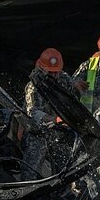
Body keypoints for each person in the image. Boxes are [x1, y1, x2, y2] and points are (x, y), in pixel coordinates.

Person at [21, 48, 76, 179]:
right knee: (31, 171)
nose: (55, 75)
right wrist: (55, 119)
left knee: (64, 171)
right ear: (43, 69)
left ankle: (60, 197)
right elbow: (32, 112)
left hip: (58, 133)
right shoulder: (33, 86)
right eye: (51, 73)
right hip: (37, 134)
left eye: (57, 72)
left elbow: (72, 96)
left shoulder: (63, 78)